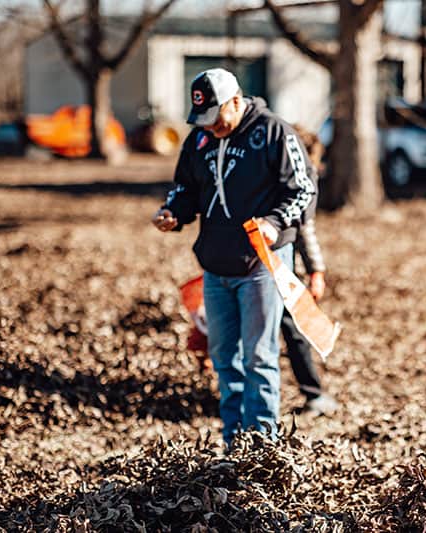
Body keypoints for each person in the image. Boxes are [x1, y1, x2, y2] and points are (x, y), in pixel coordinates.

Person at [152, 68, 317, 446]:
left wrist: (275, 223)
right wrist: (173, 212)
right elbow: (186, 188)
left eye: (216, 117)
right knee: (224, 356)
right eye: (203, 120)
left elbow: (304, 189)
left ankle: (261, 443)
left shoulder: (275, 132)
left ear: (237, 102)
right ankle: (233, 438)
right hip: (215, 264)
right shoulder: (199, 140)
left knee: (259, 355)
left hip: (262, 262)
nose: (211, 127)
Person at [281, 125, 338, 416]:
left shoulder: (297, 178)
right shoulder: (295, 176)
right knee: (292, 330)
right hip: (283, 268)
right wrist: (316, 270)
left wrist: (315, 269)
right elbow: (305, 229)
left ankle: (315, 394)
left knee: (293, 330)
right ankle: (314, 394)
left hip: (288, 269)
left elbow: (305, 229)